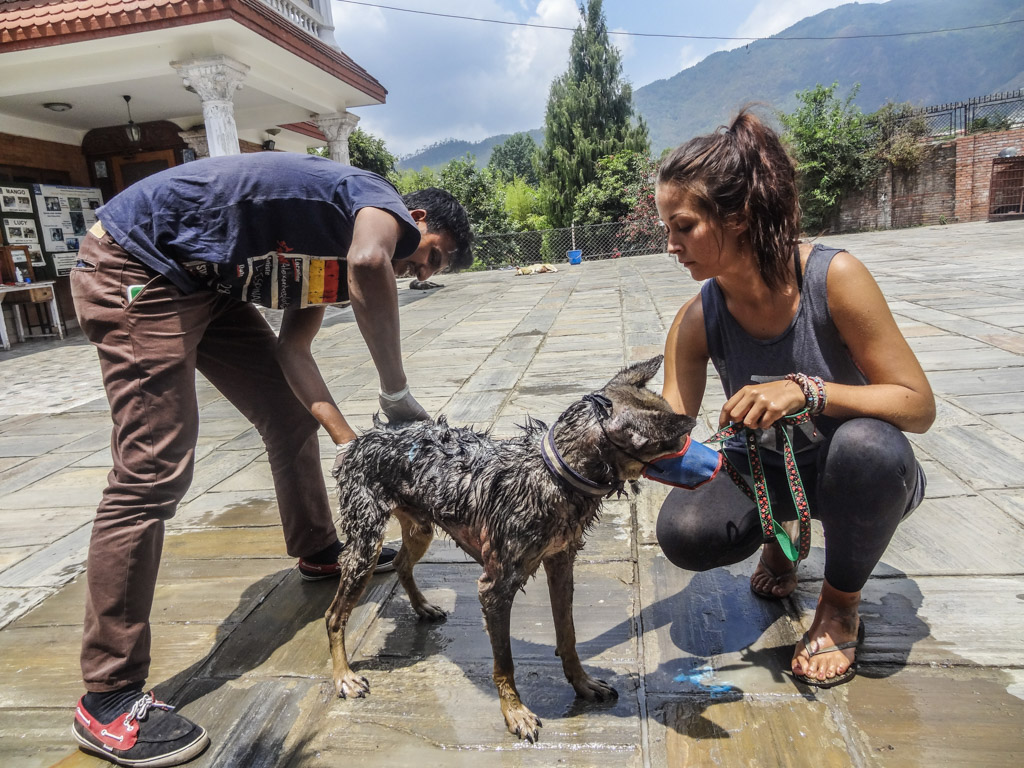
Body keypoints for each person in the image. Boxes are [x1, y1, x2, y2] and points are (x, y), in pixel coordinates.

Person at [69, 151, 473, 767]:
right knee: (152, 468)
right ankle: (107, 695)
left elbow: (295, 352)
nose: (419, 270)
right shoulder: (376, 201)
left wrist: (354, 447)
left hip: (203, 283)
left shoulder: (326, 262)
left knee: (288, 413)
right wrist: (395, 393)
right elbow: (372, 260)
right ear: (414, 218)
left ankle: (318, 550)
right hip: (136, 264)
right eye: (432, 256)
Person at [654, 109, 935, 690]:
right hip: (769, 471)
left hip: (855, 468)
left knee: (871, 451)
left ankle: (838, 602)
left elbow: (917, 405)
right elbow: (671, 432)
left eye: (683, 226)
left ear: (738, 217)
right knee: (685, 529)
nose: (671, 244)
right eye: (667, 228)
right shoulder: (696, 319)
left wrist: (805, 391)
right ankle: (783, 539)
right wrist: (610, 447)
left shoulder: (833, 278)